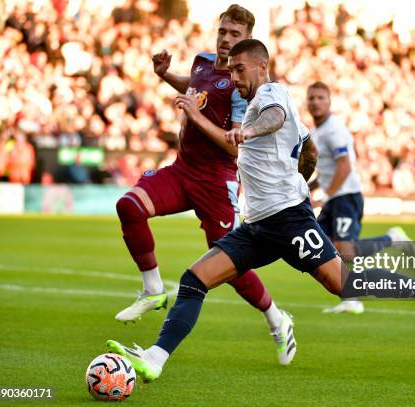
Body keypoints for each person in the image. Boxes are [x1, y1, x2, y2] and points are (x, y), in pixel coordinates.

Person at [106, 39, 415, 381]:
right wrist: (300, 182)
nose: (233, 77)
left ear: (261, 66)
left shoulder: (272, 94)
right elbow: (309, 150)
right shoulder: (253, 103)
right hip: (259, 226)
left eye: (239, 70)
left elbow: (275, 120)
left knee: (346, 285)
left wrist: (250, 138)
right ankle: (155, 358)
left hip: (288, 222)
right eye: (230, 71)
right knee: (193, 280)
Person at [113, 5, 294, 364]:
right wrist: (166, 75)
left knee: (227, 262)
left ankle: (276, 318)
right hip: (184, 169)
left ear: (248, 41)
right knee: (129, 206)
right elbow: (196, 86)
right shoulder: (202, 61)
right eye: (223, 31)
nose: (226, 40)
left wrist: (194, 115)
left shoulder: (247, 90)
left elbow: (233, 143)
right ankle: (152, 289)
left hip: (217, 180)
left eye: (235, 35)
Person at [306, 81, 415, 314]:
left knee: (344, 250)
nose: (315, 102)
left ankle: (391, 238)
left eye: (320, 98)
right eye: (312, 98)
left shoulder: (335, 129)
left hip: (345, 196)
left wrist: (323, 195)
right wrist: (309, 186)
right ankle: (351, 298)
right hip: (334, 196)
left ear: (329, 102)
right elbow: (327, 169)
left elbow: (344, 166)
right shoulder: (317, 131)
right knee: (323, 247)